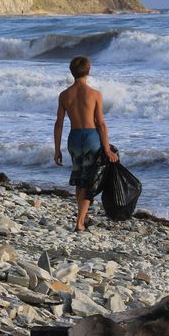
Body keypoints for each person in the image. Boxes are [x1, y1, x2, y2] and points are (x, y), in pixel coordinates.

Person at [53, 55, 119, 232]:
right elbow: (101, 123)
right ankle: (80, 222)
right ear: (88, 71)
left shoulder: (64, 95)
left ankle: (83, 216)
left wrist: (57, 149)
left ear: (72, 72)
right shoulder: (95, 94)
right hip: (91, 137)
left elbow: (58, 123)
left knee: (79, 179)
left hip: (74, 138)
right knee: (89, 181)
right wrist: (107, 148)